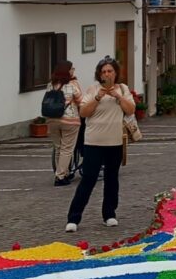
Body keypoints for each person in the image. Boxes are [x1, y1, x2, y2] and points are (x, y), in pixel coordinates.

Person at [65, 56, 135, 232]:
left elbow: (130, 109)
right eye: (103, 72)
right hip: (93, 141)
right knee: (88, 179)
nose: (107, 74)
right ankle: (74, 218)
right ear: (99, 74)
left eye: (110, 71)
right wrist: (97, 97)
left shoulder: (123, 89)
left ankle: (109, 214)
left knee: (112, 179)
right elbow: (84, 112)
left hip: (115, 142)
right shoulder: (92, 89)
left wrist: (118, 96)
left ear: (115, 73)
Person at [48, 61, 83, 186]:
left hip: (52, 120)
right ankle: (60, 176)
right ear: (68, 71)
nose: (73, 70)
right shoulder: (72, 85)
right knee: (67, 148)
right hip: (70, 120)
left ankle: (63, 172)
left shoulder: (50, 85)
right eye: (72, 68)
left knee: (58, 147)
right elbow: (81, 101)